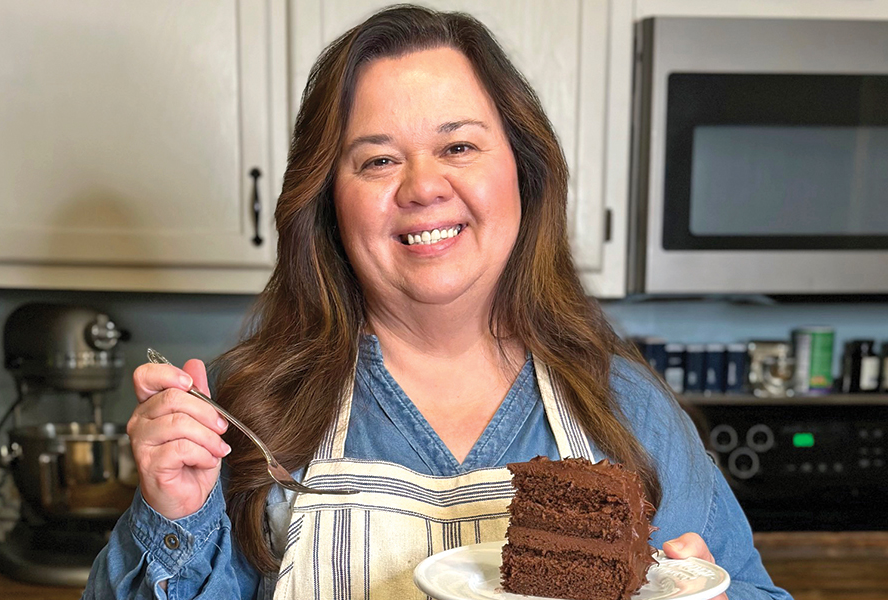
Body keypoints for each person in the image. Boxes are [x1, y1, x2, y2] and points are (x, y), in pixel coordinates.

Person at [83, 5, 791, 600]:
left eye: (458, 146)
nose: (422, 187)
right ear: (328, 202)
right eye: (379, 159)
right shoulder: (250, 410)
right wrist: (173, 511)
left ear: (524, 172)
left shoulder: (626, 407)